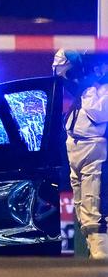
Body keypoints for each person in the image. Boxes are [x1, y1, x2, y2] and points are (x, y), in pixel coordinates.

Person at [54, 49, 108, 259]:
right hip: (76, 152)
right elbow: (59, 69)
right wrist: (71, 55)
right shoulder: (86, 86)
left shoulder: (97, 89)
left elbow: (99, 111)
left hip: (97, 154)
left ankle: (101, 262)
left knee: (96, 216)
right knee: (83, 216)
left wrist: (87, 86)